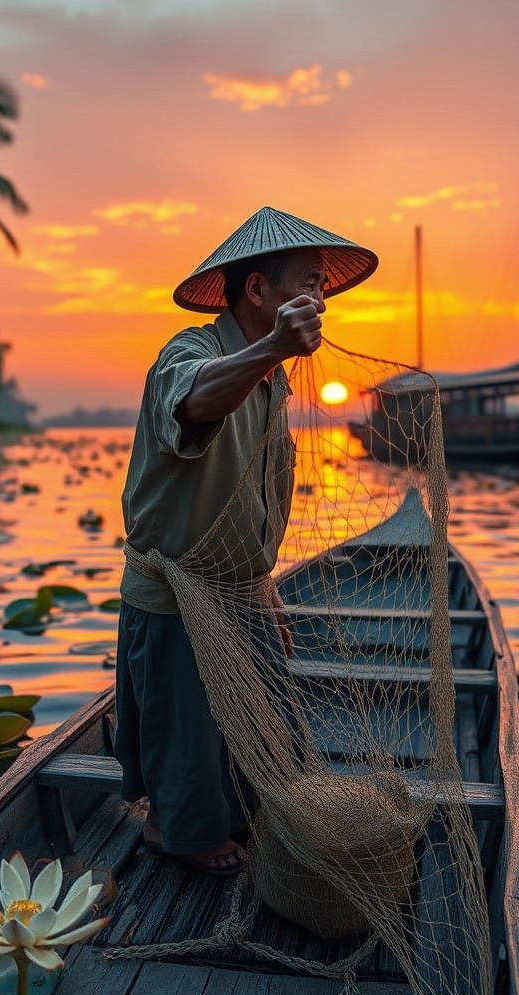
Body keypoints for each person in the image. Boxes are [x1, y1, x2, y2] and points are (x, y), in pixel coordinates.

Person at [114, 208, 378, 875]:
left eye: (323, 286)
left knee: (272, 762)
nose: (319, 299)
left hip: (243, 590)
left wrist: (268, 595)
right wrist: (270, 350)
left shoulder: (274, 380)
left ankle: (208, 813)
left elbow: (252, 497)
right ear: (257, 291)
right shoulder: (191, 353)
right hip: (177, 594)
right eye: (307, 283)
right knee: (194, 808)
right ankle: (171, 831)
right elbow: (194, 403)